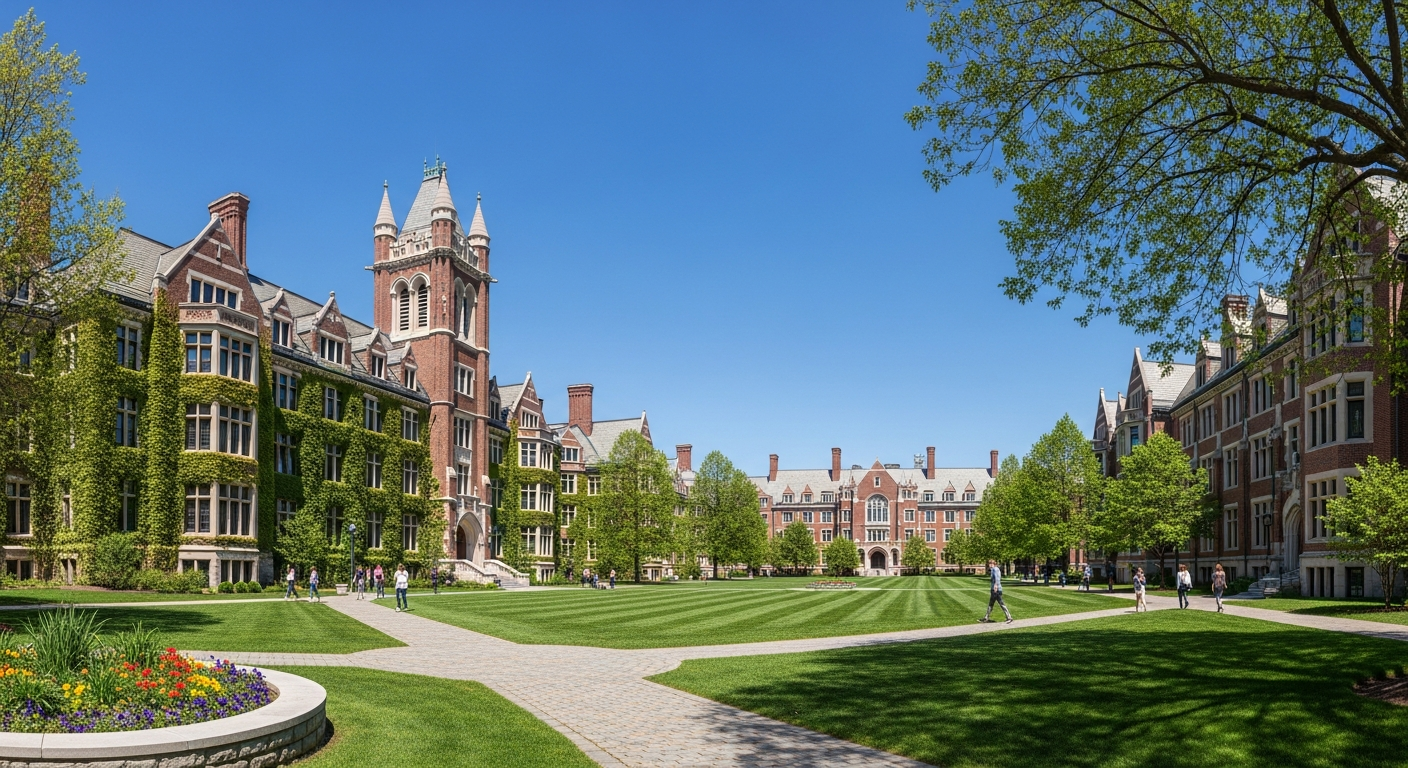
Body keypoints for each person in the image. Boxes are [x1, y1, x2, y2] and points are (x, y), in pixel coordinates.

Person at [979, 559, 1014, 624]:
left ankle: (1009, 617)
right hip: (996, 589)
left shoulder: (994, 569)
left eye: (990, 564)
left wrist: (995, 586)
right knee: (991, 604)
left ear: (993, 564)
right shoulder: (996, 569)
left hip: (996, 590)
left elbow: (997, 578)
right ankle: (986, 617)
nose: (989, 565)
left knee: (1000, 603)